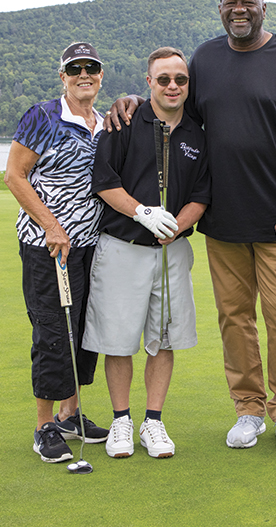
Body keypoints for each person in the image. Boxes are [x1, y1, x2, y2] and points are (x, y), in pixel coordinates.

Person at [108, 0, 276, 454]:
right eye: (230, 0)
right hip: (222, 220)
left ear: (262, 6)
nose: (239, 8)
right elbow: (173, 104)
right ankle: (249, 410)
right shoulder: (205, 58)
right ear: (220, 8)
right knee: (235, 319)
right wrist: (131, 99)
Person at [83, 47, 209, 459]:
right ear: (148, 82)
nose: (173, 86)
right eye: (164, 79)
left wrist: (176, 225)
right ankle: (122, 420)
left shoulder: (196, 132)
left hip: (171, 251)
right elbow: (104, 181)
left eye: (180, 79)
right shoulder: (123, 122)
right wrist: (142, 213)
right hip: (122, 246)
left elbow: (202, 195)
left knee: (165, 338)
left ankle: (153, 422)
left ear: (188, 84)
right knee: (118, 341)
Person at [4, 42, 110, 464]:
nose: (84, 74)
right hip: (47, 248)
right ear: (63, 76)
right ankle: (44, 426)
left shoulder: (102, 123)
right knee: (53, 331)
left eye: (92, 68)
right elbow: (14, 175)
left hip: (89, 246)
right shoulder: (43, 116)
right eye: (75, 68)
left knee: (83, 331)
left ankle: (70, 414)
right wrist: (51, 226)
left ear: (101, 75)